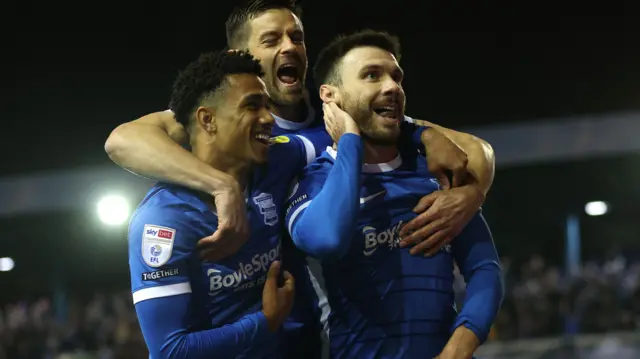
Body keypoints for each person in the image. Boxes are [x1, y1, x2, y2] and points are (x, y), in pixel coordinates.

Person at [104, 0, 496, 255]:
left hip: (333, 319)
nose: (289, 47)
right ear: (240, 57)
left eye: (297, 37)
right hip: (258, 310)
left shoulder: (340, 113)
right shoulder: (223, 125)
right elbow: (122, 140)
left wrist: (470, 197)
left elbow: (477, 150)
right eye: (272, 40)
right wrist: (220, 185)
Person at [285, 30, 504, 359]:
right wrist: (350, 141)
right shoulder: (313, 182)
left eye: (396, 77)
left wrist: (458, 348)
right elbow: (326, 239)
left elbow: (485, 269)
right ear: (331, 96)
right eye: (371, 75)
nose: (392, 87)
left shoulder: (433, 172)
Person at [128, 50, 318, 358]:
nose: (269, 118)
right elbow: (169, 351)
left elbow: (352, 140)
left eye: (267, 106)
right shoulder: (164, 220)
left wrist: (422, 135)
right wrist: (266, 321)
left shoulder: (276, 160)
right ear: (208, 120)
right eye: (252, 106)